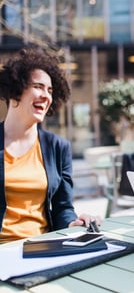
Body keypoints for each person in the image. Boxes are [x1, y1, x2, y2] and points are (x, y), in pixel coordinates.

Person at [0, 46, 101, 243]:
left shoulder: (58, 147)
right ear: (15, 90)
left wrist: (73, 224)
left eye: (50, 90)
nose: (46, 96)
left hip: (42, 248)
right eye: (38, 86)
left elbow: (62, 207)